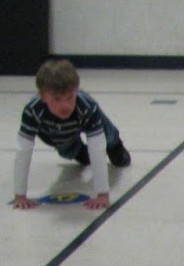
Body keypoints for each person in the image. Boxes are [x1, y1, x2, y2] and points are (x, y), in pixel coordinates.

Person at [11, 58, 131, 212]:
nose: (65, 105)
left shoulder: (85, 106)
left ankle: (115, 145)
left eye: (70, 97)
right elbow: (23, 150)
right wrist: (20, 195)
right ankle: (78, 150)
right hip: (52, 130)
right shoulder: (32, 110)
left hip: (84, 119)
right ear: (42, 96)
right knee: (69, 151)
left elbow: (97, 146)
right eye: (56, 99)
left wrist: (102, 193)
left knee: (104, 131)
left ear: (76, 91)